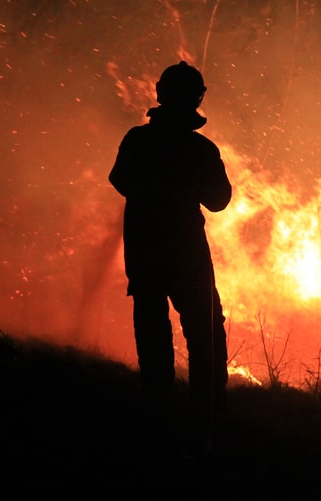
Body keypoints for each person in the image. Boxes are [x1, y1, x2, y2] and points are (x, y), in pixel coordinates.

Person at [109, 61, 231, 411]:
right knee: (204, 328)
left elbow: (120, 180)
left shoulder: (138, 140)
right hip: (187, 253)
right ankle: (208, 408)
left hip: (145, 247)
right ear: (198, 98)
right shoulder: (201, 149)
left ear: (160, 92)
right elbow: (219, 200)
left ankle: (158, 404)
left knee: (152, 325)